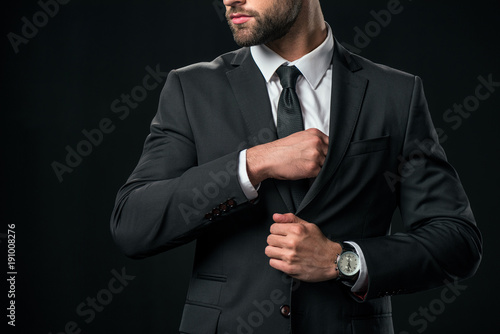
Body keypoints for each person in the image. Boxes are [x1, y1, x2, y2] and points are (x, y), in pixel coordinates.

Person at [110, 0, 482, 333]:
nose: (229, 0)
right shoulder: (191, 89)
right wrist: (253, 164)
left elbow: (457, 241)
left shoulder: (395, 94)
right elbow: (133, 225)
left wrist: (343, 260)